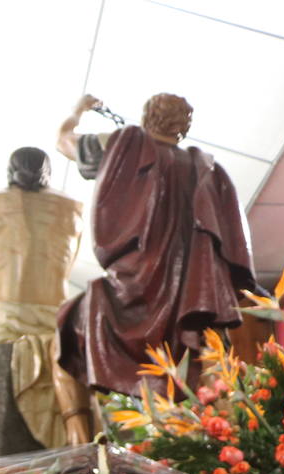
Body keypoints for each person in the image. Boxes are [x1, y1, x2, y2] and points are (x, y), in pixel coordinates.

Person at [55, 92, 260, 395]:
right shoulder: (205, 169)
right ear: (184, 127)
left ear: (147, 115)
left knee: (67, 326)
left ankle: (85, 429)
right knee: (215, 375)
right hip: (194, 294)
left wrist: (80, 108)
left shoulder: (121, 147)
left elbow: (63, 141)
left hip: (135, 289)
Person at [0, 147, 88, 455]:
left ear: (10, 173)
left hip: (0, 325)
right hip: (53, 323)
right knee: (74, 426)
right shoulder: (72, 209)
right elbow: (68, 265)